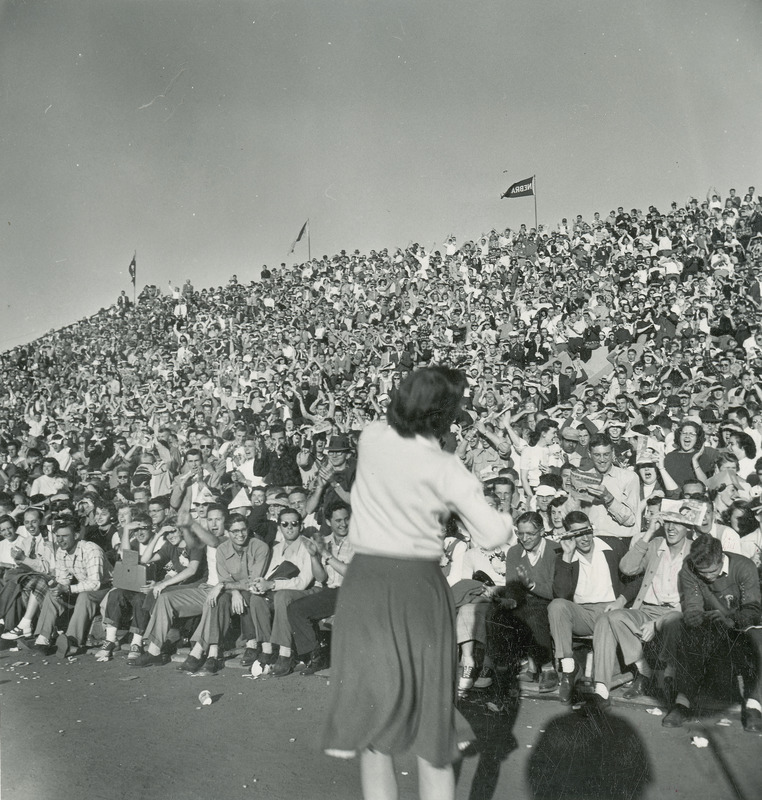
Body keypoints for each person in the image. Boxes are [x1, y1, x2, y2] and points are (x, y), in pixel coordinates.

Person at [321, 366, 510, 800]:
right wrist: (494, 508)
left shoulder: (370, 438)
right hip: (415, 589)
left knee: (373, 723)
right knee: (433, 724)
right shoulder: (448, 470)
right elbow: (494, 535)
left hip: (364, 585)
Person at [663, 534, 762, 732]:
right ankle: (682, 703)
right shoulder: (690, 568)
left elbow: (753, 609)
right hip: (713, 623)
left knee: (759, 642)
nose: (708, 577)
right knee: (686, 633)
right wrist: (694, 617)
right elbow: (692, 604)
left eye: (713, 571)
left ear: (721, 558)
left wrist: (731, 621)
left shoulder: (744, 567)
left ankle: (754, 705)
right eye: (703, 573)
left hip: (744, 624)